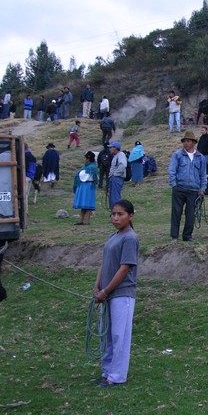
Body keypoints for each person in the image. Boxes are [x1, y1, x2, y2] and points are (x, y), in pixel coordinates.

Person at [91, 199, 139, 388]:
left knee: (120, 335)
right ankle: (107, 371)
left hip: (121, 293)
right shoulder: (113, 236)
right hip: (107, 293)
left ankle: (117, 375)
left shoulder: (130, 238)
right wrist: (97, 287)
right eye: (113, 214)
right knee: (107, 334)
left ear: (130, 216)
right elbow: (103, 263)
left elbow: (125, 268)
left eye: (120, 214)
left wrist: (106, 290)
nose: (115, 218)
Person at [168, 131, 207, 242]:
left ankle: (187, 236)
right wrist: (174, 185)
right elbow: (172, 170)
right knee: (176, 213)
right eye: (184, 141)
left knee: (191, 215)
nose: (186, 143)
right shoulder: (177, 155)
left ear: (194, 143)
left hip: (194, 190)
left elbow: (203, 174)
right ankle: (174, 236)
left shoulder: (201, 157)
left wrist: (202, 188)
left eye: (188, 141)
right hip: (179, 189)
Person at [73, 151, 98, 225]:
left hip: (88, 186)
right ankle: (81, 220)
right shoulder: (85, 167)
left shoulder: (92, 167)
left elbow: (89, 177)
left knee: (88, 203)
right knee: (83, 204)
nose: (84, 160)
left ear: (88, 159)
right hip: (83, 186)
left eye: (85, 158)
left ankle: (87, 221)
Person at [108, 142, 127, 210]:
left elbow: (123, 165)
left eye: (111, 147)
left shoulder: (121, 155)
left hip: (117, 178)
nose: (109, 149)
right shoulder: (116, 155)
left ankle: (116, 211)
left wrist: (115, 174)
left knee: (115, 196)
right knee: (113, 195)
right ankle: (114, 211)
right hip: (115, 178)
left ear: (115, 148)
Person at [24, 144, 37, 216]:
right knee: (27, 194)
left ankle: (25, 210)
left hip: (25, 176)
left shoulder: (24, 156)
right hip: (31, 176)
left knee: (24, 194)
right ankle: (26, 210)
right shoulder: (33, 157)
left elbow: (24, 167)